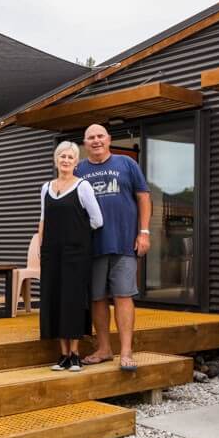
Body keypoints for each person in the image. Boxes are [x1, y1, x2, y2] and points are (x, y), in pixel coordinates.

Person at [76, 124, 151, 371]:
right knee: (97, 298)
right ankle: (104, 349)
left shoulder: (127, 164)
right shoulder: (79, 170)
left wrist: (144, 232)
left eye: (100, 136)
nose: (96, 141)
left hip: (124, 243)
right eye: (91, 138)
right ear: (85, 143)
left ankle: (126, 352)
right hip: (92, 245)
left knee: (123, 295)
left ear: (108, 139)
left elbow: (143, 197)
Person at [38, 141, 103, 372]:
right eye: (62, 156)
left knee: (73, 300)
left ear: (76, 162)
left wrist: (77, 236)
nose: (66, 160)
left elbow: (97, 220)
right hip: (51, 253)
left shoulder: (83, 186)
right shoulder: (46, 188)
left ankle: (75, 354)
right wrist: (41, 248)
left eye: (70, 157)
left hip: (76, 254)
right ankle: (63, 355)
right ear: (56, 160)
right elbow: (43, 220)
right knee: (54, 298)